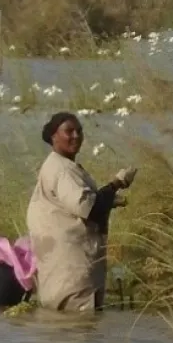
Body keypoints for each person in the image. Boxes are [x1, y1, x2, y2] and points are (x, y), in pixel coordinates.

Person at [27, 112, 138, 312]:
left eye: (79, 131)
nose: (76, 136)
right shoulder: (62, 170)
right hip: (73, 273)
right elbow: (90, 209)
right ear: (54, 136)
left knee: (61, 333)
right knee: (79, 333)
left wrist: (110, 200)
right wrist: (117, 183)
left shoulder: (59, 166)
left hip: (62, 271)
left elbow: (80, 204)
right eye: (69, 131)